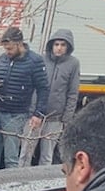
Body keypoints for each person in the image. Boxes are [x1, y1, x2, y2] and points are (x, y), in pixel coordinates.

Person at [0, 26, 50, 170]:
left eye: (10, 49)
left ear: (19, 44)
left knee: (11, 158)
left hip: (16, 115)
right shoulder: (2, 59)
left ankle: (9, 188)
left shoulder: (35, 61)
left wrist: (38, 114)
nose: (7, 52)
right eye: (5, 49)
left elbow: (43, 88)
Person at [19, 29, 79, 167]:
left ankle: (42, 184)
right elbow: (31, 86)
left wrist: (66, 118)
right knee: (25, 153)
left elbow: (72, 93)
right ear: (51, 45)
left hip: (55, 118)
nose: (59, 48)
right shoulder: (41, 60)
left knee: (47, 157)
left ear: (68, 47)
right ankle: (20, 182)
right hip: (35, 116)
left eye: (63, 45)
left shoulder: (73, 64)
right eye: (56, 44)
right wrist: (30, 111)